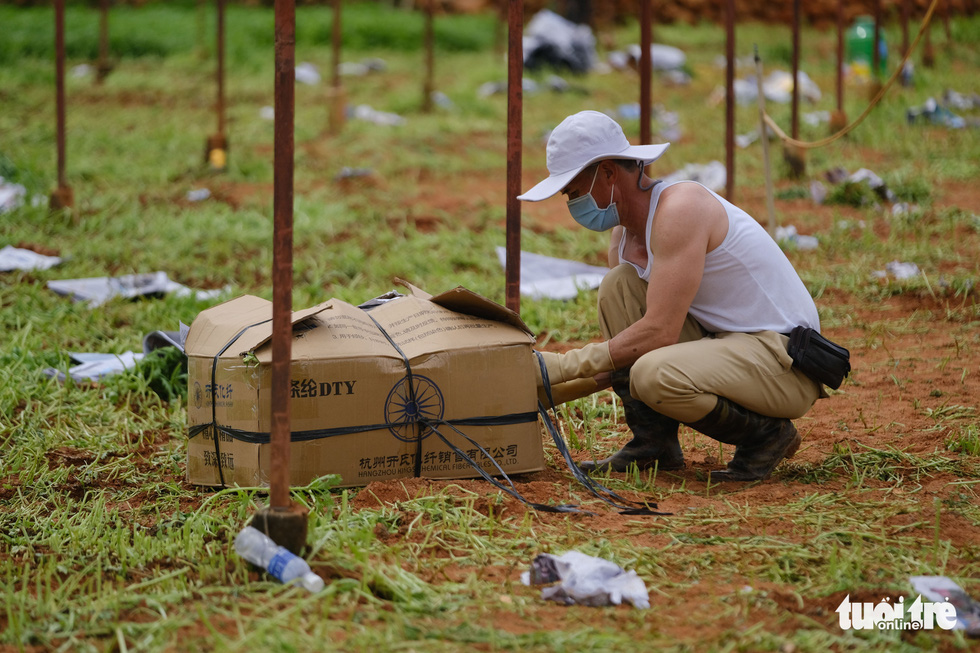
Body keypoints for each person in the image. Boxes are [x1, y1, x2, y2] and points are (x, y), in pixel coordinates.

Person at [519, 110, 825, 481]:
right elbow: (623, 359)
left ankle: (766, 438)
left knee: (652, 373)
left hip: (783, 362)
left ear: (609, 173)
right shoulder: (625, 234)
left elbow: (658, 334)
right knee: (618, 287)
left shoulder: (681, 209)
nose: (571, 203)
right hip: (730, 346)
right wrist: (535, 388)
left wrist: (559, 367)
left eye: (574, 191)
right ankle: (655, 444)